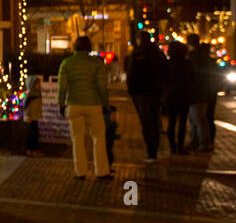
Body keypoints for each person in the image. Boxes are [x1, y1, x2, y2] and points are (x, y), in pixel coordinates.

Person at [57, 36, 112, 180]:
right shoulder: (96, 63)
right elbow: (102, 86)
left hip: (74, 104)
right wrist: (105, 103)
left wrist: (61, 104)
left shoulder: (67, 63)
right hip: (93, 104)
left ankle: (80, 171)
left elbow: (62, 87)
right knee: (99, 137)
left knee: (77, 139)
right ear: (89, 47)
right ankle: (102, 171)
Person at [124, 31, 166, 162]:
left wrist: (131, 91)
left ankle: (151, 151)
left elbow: (131, 74)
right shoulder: (158, 54)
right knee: (154, 120)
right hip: (155, 91)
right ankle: (155, 148)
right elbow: (166, 71)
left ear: (139, 40)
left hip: (141, 93)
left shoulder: (137, 54)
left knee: (146, 122)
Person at [161, 40, 196, 154]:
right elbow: (192, 79)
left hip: (171, 95)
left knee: (171, 121)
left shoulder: (168, 63)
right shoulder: (187, 63)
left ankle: (172, 146)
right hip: (184, 94)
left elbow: (164, 80)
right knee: (182, 122)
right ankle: (180, 146)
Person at [186, 33, 215, 151]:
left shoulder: (194, 56)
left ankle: (203, 143)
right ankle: (196, 141)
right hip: (204, 92)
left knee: (198, 119)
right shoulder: (203, 56)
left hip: (197, 93)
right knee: (197, 119)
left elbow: (194, 75)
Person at [23, 75, 44, 156]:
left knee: (35, 134)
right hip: (30, 118)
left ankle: (33, 149)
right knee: (33, 134)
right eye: (37, 84)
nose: (39, 86)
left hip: (34, 117)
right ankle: (32, 149)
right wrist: (27, 116)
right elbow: (26, 107)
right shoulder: (30, 96)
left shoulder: (38, 94)